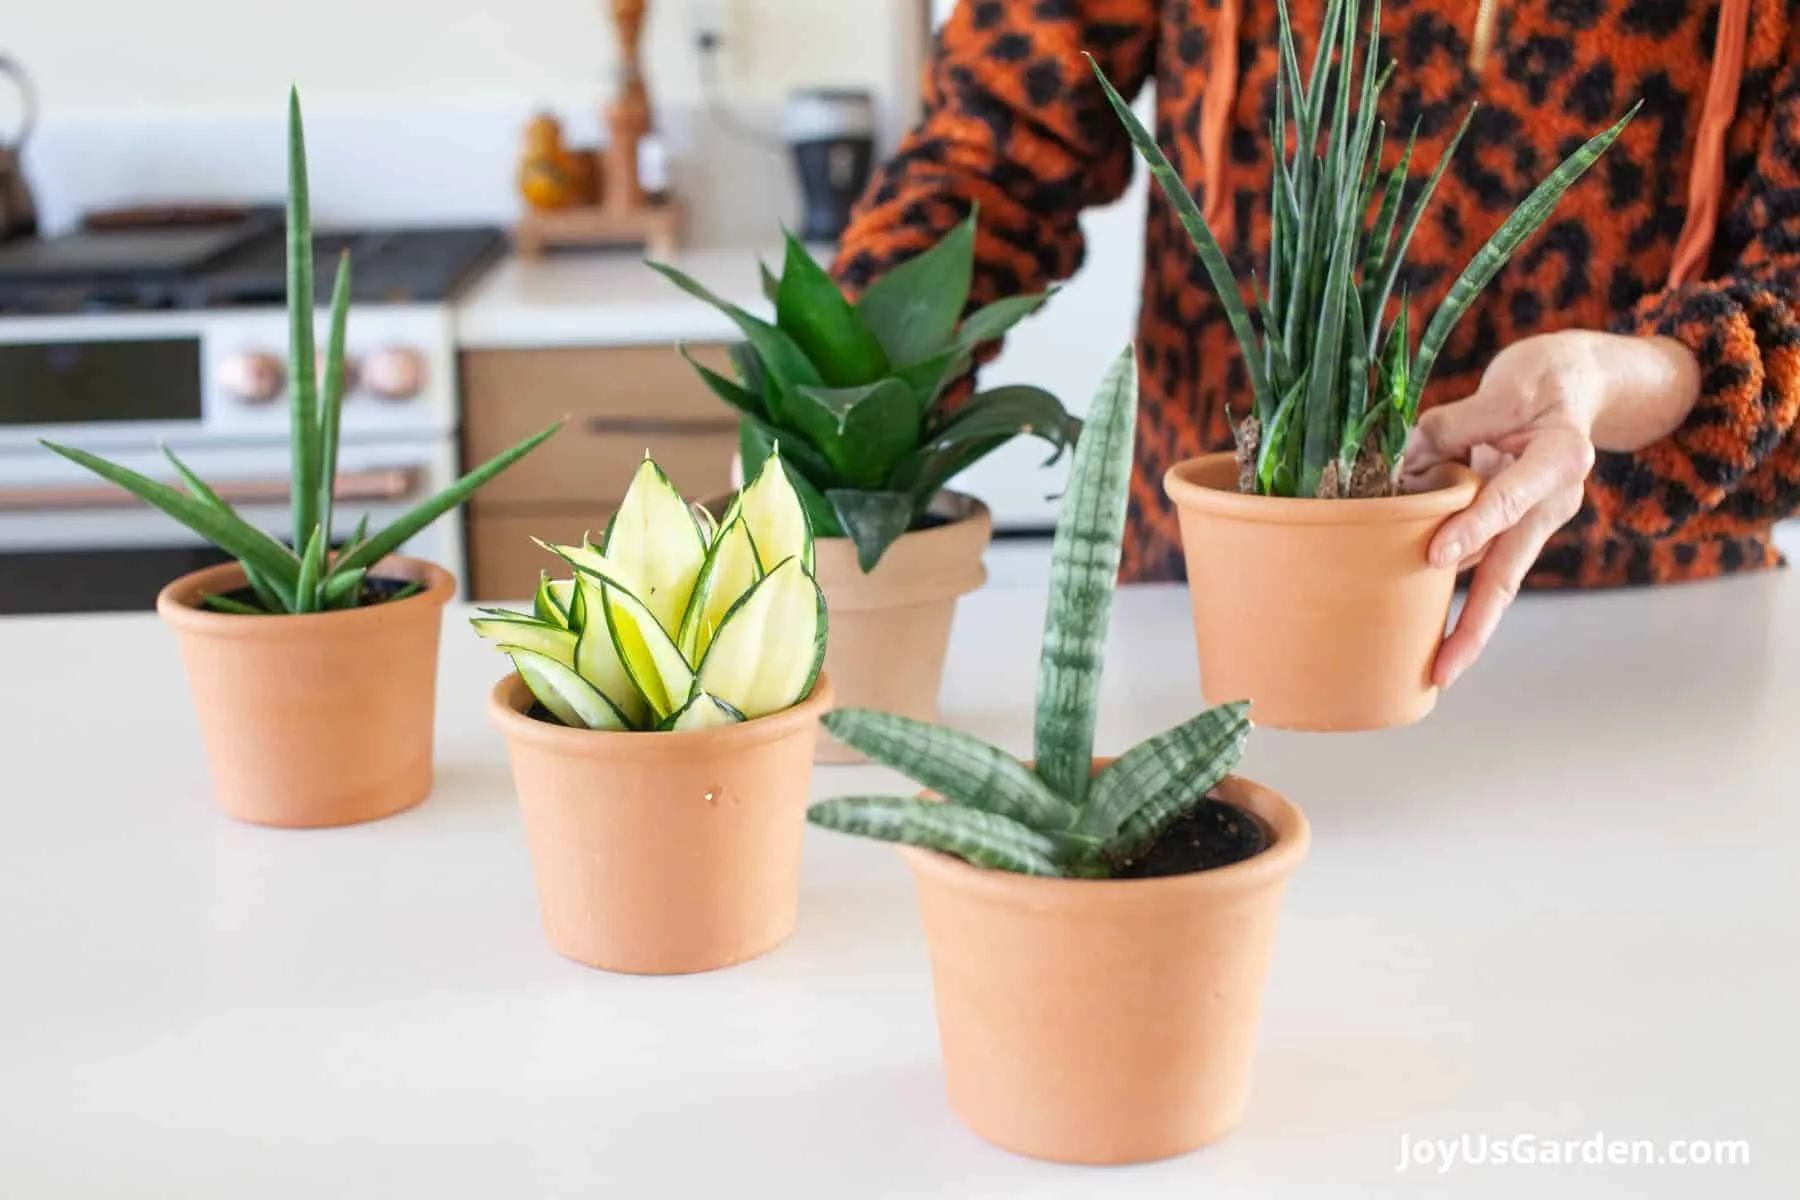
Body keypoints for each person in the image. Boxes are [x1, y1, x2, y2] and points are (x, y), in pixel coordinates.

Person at [830, 0, 1799, 687]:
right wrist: (841, 402)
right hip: (1217, 599)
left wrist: (1638, 379)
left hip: (1656, 642)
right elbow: (990, 142)